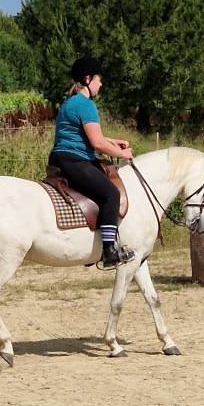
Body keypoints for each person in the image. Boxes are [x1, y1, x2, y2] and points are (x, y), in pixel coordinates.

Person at [50, 56, 135, 268]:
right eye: (99, 79)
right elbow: (96, 143)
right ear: (88, 79)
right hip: (75, 160)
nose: (101, 84)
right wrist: (123, 155)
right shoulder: (86, 105)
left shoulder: (70, 103)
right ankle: (108, 250)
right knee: (111, 194)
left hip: (62, 158)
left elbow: (89, 135)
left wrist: (114, 142)